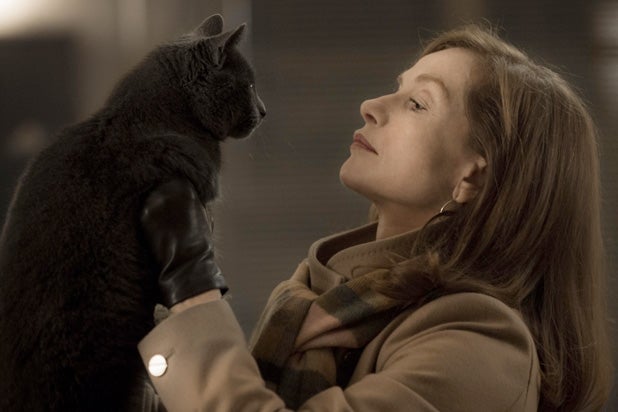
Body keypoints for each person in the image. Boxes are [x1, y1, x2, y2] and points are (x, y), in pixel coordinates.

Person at [137, 24, 613, 411]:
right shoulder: (315, 298)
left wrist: (193, 290)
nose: (371, 107)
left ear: (472, 176)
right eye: (397, 89)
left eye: (418, 103)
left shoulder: (483, 350)